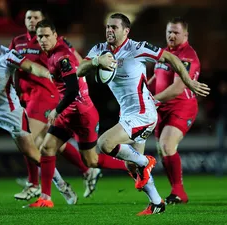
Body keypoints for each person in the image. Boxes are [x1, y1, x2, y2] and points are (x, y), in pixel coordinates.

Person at [77, 13, 210, 215]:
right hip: (128, 114)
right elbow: (79, 70)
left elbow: (171, 57)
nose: (109, 30)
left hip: (143, 113)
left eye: (114, 27)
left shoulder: (136, 48)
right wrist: (97, 61)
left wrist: (189, 82)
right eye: (108, 27)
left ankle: (146, 162)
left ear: (126, 31)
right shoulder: (99, 50)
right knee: (131, 166)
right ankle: (156, 202)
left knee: (104, 144)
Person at [28, 19, 155, 210]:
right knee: (47, 148)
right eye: (40, 37)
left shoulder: (62, 56)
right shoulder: (52, 54)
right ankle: (46, 197)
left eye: (47, 35)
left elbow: (72, 89)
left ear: (56, 35)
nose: (43, 40)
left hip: (81, 113)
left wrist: (56, 110)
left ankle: (133, 165)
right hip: (69, 112)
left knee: (92, 160)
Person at [0, 19, 74, 207]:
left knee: (33, 154)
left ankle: (62, 185)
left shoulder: (6, 54)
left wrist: (49, 74)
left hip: (10, 113)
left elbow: (30, 67)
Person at [9, 8, 101, 201]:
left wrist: (81, 79)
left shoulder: (53, 42)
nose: (32, 21)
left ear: (45, 23)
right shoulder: (17, 41)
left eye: (36, 17)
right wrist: (15, 88)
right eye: (28, 17)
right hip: (27, 96)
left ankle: (34, 184)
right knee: (51, 145)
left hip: (46, 95)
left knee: (27, 139)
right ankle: (87, 171)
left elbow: (75, 62)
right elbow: (15, 66)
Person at [148, 17, 204, 204]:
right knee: (163, 150)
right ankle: (176, 191)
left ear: (185, 34)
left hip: (182, 106)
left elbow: (178, 88)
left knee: (166, 145)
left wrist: (151, 100)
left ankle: (179, 192)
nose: (171, 35)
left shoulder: (187, 56)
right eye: (169, 32)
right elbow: (156, 78)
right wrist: (142, 92)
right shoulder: (164, 52)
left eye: (176, 32)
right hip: (161, 108)